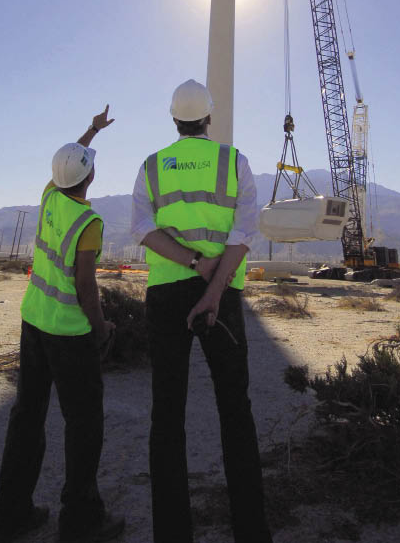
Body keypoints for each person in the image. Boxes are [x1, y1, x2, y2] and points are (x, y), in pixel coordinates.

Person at [131, 79, 273, 543]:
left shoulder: (152, 167)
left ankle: (171, 534)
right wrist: (213, 289)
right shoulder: (235, 162)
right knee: (236, 411)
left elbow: (143, 231)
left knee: (167, 415)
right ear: (209, 117)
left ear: (174, 119)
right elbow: (244, 232)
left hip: (167, 294)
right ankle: (251, 531)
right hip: (222, 295)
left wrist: (191, 262)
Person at [0, 105, 125, 543]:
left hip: (33, 323)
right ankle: (81, 520)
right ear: (90, 179)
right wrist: (102, 326)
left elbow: (70, 163)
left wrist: (91, 130)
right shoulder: (88, 222)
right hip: (70, 334)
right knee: (83, 425)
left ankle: (11, 515)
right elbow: (86, 287)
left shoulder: (49, 197)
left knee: (26, 418)